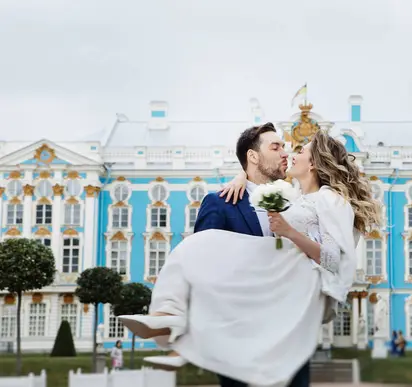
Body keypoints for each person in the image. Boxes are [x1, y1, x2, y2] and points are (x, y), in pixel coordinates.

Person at [119, 125, 381, 387]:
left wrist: (285, 227)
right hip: (239, 333)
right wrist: (241, 178)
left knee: (192, 248)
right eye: (277, 147)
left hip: (288, 322)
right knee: (195, 247)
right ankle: (171, 320)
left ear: (313, 163)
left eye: (292, 149)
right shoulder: (224, 201)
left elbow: (328, 251)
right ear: (253, 156)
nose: (287, 152)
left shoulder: (299, 200)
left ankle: (174, 324)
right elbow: (206, 270)